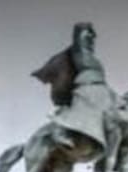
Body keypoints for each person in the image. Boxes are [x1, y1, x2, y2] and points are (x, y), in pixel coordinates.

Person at [32, 22, 119, 152]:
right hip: (87, 90)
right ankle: (60, 131)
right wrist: (84, 30)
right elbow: (80, 44)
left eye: (91, 39)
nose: (91, 41)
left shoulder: (93, 60)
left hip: (101, 90)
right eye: (88, 38)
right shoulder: (82, 55)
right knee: (81, 110)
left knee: (118, 115)